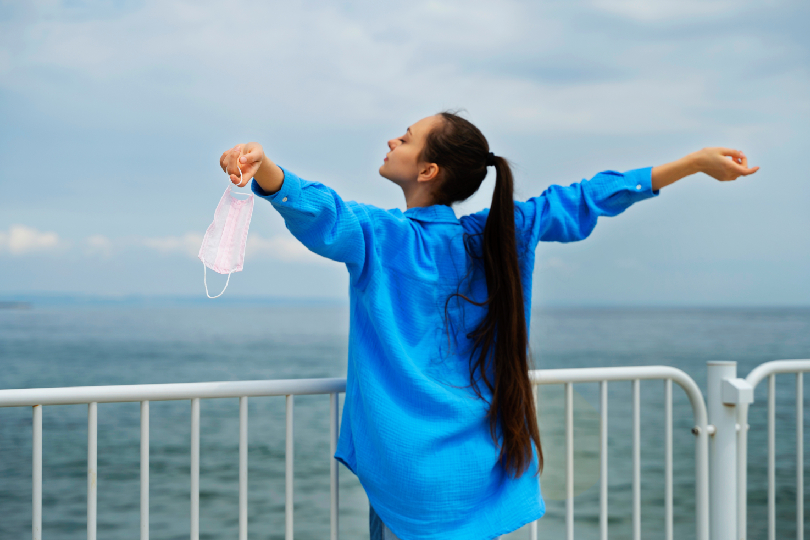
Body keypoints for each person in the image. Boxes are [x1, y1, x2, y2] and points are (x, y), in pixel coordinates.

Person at [219, 112, 759, 540]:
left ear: (427, 171)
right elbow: (585, 198)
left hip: (413, 476)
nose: (392, 141)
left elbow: (322, 211)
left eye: (406, 139)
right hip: (484, 462)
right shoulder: (501, 233)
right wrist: (691, 164)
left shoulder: (384, 236)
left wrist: (267, 168)